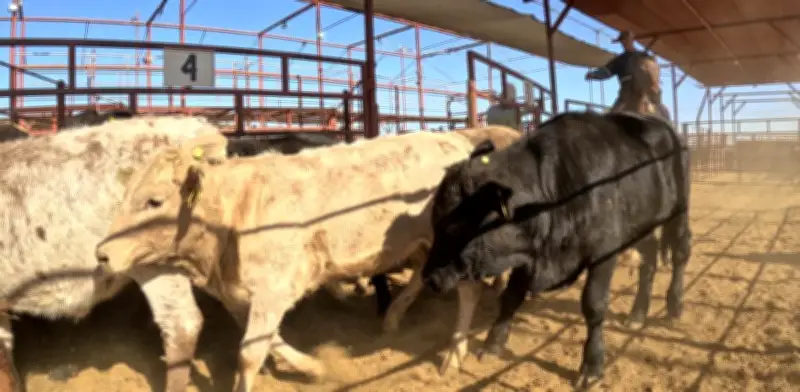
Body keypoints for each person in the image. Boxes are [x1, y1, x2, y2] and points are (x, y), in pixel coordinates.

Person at [585, 30, 669, 119]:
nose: (625, 42)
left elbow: (654, 73)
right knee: (612, 119)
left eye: (627, 39)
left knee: (661, 113)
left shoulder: (645, 57)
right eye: (623, 40)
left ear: (632, 40)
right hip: (626, 96)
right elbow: (606, 71)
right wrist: (594, 74)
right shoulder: (620, 60)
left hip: (645, 96)